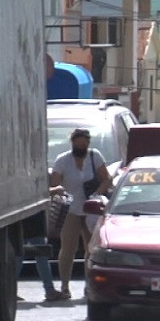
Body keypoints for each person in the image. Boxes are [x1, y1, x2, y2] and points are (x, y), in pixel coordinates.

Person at [49, 127, 111, 299]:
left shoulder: (94, 156)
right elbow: (54, 183)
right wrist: (58, 190)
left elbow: (107, 178)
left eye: (84, 143)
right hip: (71, 209)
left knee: (91, 248)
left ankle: (89, 285)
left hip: (92, 208)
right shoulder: (63, 160)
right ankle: (64, 286)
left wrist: (97, 193)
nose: (81, 147)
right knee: (68, 248)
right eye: (78, 143)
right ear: (72, 143)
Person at [16, 210, 65, 303]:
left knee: (19, 256)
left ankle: (11, 288)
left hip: (22, 218)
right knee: (41, 256)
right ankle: (49, 290)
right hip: (35, 219)